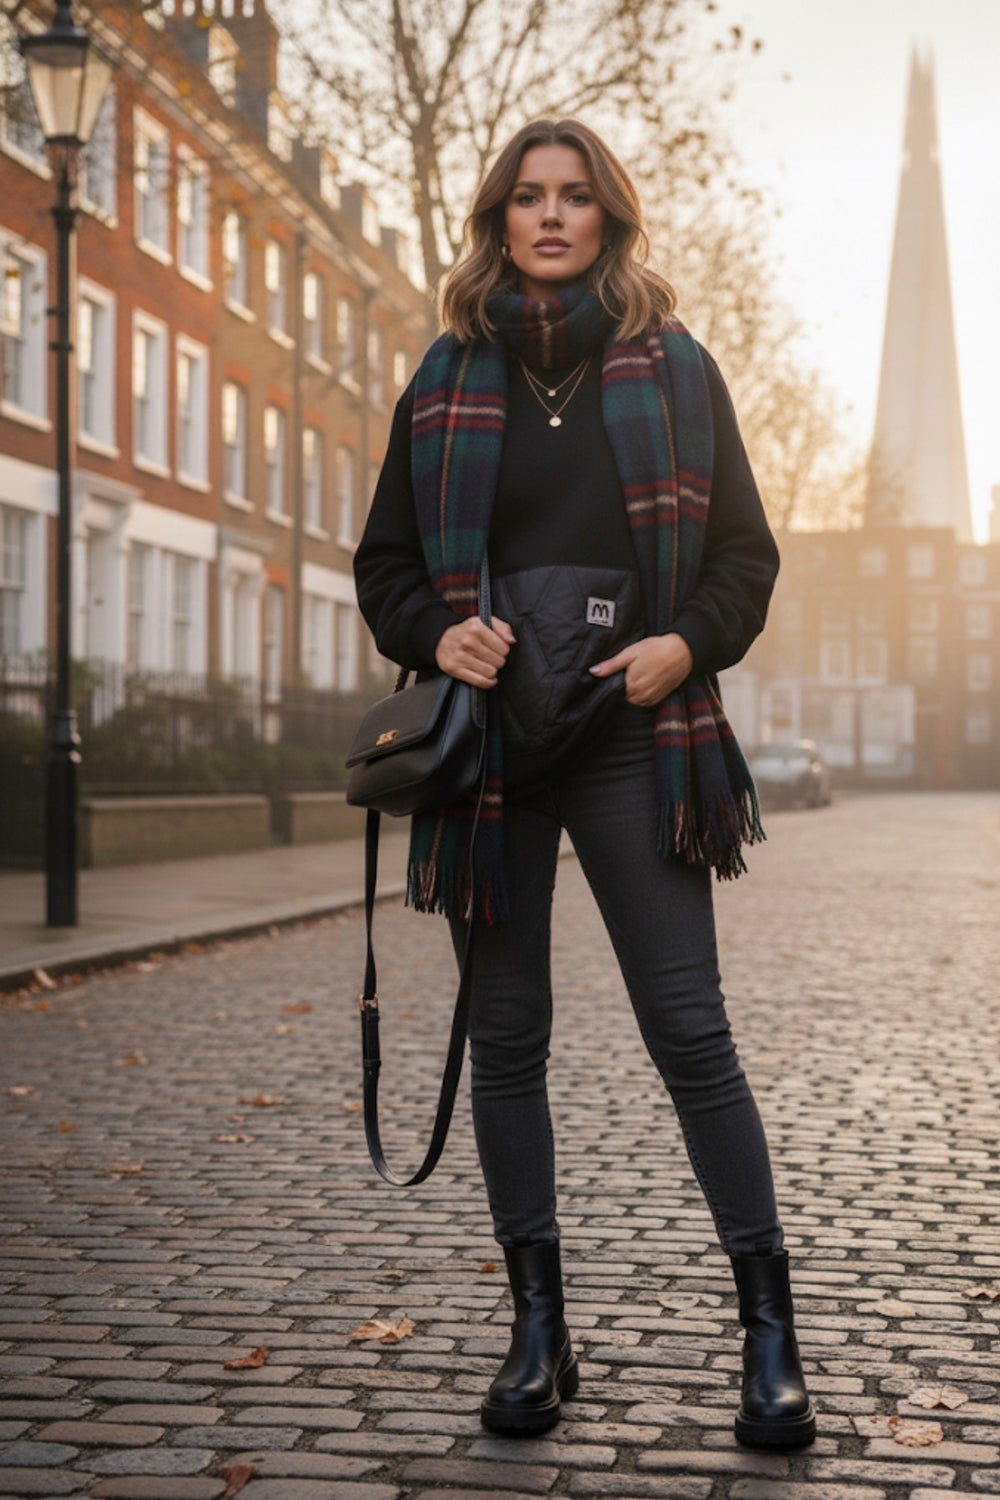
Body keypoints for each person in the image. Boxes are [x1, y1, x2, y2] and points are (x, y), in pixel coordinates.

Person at [354, 117, 815, 1452]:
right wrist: (437, 635)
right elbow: (385, 566)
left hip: (635, 734)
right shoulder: (443, 378)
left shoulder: (675, 372)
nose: (550, 218)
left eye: (575, 199)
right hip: (491, 749)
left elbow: (746, 557)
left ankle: (769, 1334)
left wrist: (687, 645)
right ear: (498, 219)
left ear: (608, 217)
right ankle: (537, 1330)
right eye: (527, 199)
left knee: (690, 1030)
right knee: (509, 1038)